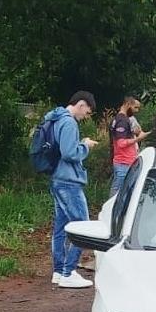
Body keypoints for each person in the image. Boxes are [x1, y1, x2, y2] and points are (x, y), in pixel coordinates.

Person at [47, 91, 99, 288]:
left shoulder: (56, 118)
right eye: (87, 111)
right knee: (82, 226)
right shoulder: (68, 122)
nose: (86, 116)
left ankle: (59, 271)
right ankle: (69, 272)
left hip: (57, 178)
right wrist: (85, 146)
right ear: (81, 104)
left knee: (60, 227)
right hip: (69, 181)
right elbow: (69, 153)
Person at [110, 96, 149, 195]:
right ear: (128, 104)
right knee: (117, 192)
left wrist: (134, 132)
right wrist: (138, 139)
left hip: (126, 161)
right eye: (135, 107)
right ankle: (111, 209)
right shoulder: (122, 121)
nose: (136, 111)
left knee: (124, 191)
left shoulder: (122, 119)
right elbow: (121, 143)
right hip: (123, 162)